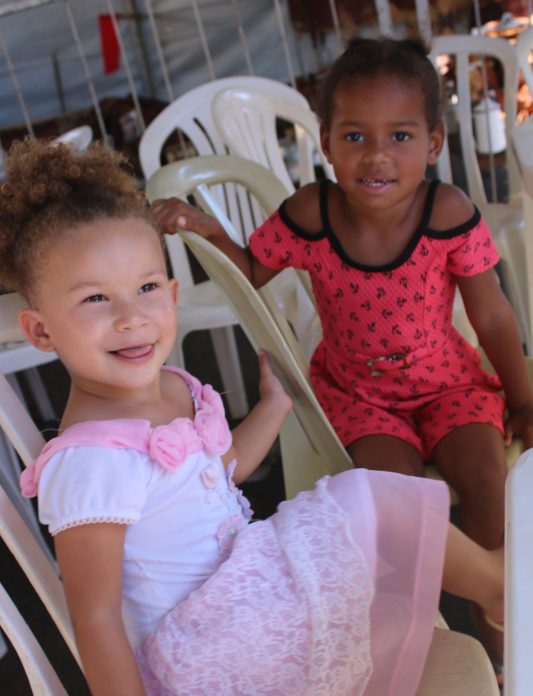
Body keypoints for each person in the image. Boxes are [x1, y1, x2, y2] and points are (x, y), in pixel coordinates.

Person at [0, 138, 503, 696]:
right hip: (212, 660)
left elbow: (219, 474)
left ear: (172, 293)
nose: (131, 316)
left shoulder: (170, 388)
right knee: (367, 501)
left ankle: (497, 589)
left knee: (371, 501)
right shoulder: (89, 463)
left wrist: (272, 409)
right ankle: (500, 591)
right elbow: (95, 620)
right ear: (41, 331)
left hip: (249, 589)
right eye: (95, 299)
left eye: (146, 287)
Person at [152, 37, 533, 559]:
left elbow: (491, 314)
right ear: (327, 144)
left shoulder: (446, 212)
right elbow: (251, 271)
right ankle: (422, 606)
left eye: (400, 135)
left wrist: (524, 401)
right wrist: (210, 229)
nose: (376, 155)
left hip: (450, 386)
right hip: (362, 397)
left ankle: (494, 605)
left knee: (491, 484)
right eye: (355, 136)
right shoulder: (312, 212)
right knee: (396, 504)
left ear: (433, 144)